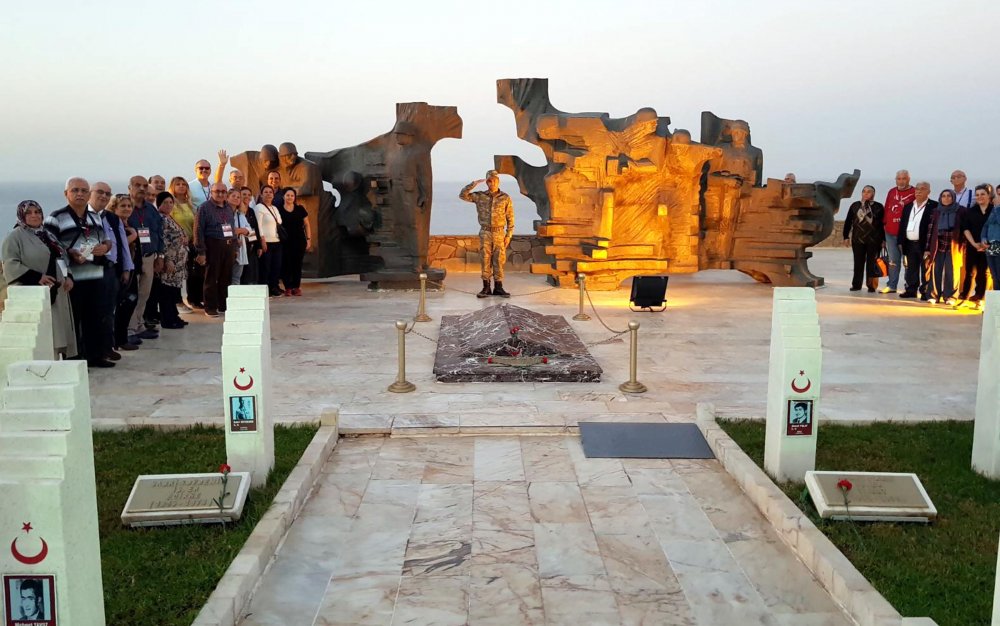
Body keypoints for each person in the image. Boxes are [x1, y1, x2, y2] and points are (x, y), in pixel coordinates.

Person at [44, 178, 114, 367]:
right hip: (72, 277)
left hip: (94, 273)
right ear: (66, 193)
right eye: (75, 190)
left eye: (84, 190)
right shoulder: (55, 218)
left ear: (89, 194)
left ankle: (94, 356)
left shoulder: (94, 217)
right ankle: (75, 359)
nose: (80, 194)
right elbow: (50, 248)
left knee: (95, 316)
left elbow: (106, 239)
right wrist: (69, 255)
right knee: (73, 319)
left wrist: (105, 247)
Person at [1, 201, 77, 359]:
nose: (34, 216)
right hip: (35, 293)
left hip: (58, 290)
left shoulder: (48, 235)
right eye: (29, 213)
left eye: (37, 212)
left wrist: (68, 276)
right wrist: (37, 277)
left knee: (59, 329)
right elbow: (10, 264)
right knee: (44, 332)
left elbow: (60, 257)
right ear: (21, 215)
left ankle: (59, 360)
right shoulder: (15, 237)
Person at [459, 170, 515, 298]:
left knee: (499, 260)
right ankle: (486, 287)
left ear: (498, 181)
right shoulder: (480, 196)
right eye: (490, 180)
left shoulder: (505, 197)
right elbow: (462, 195)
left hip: (499, 233)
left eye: (494, 180)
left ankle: (499, 287)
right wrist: (473, 184)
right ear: (487, 182)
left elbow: (510, 217)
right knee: (485, 259)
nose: (492, 183)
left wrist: (509, 235)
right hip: (485, 232)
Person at [92, 182, 132, 359]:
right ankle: (96, 350)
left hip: (112, 269)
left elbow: (123, 244)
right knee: (95, 311)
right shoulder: (85, 216)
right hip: (90, 269)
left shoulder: (113, 218)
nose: (104, 196)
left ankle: (108, 347)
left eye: (107, 193)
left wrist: (127, 268)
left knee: (109, 310)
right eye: (99, 192)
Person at [126, 176, 163, 341]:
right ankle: (129, 329)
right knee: (131, 294)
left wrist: (160, 255)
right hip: (132, 257)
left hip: (149, 257)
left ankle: (139, 325)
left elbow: (159, 232)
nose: (141, 188)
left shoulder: (151, 209)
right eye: (137, 185)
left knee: (144, 294)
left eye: (144, 186)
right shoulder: (125, 206)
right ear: (130, 187)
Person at [195, 183, 238, 317]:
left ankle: (223, 305)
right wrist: (201, 251)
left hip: (228, 245)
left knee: (226, 277)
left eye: (223, 191)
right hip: (213, 245)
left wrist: (235, 247)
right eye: (217, 191)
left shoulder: (228, 207)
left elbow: (231, 227)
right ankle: (210, 307)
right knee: (211, 277)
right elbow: (198, 230)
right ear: (211, 192)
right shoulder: (204, 208)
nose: (220, 194)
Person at [108, 194, 141, 351]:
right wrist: (133, 236)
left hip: (132, 269)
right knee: (121, 304)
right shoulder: (113, 224)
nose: (127, 209)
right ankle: (116, 340)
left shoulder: (129, 224)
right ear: (114, 208)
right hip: (119, 270)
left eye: (129, 206)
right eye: (123, 206)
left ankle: (121, 338)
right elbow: (116, 246)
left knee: (130, 301)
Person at [153, 192, 189, 330]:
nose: (168, 205)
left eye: (170, 202)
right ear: (159, 204)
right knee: (166, 291)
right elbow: (163, 240)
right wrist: (166, 259)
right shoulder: (161, 219)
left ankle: (174, 315)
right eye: (165, 203)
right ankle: (167, 319)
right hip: (170, 260)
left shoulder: (169, 217)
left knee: (173, 290)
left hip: (178, 261)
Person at [842, 185, 885, 292]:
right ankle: (856, 285)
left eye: (869, 192)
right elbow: (848, 222)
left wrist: (884, 240)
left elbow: (882, 225)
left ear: (873, 194)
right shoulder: (855, 206)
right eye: (864, 191)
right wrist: (846, 236)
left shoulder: (879, 207)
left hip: (874, 240)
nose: (866, 193)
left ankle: (871, 286)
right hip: (858, 239)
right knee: (858, 263)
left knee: (872, 263)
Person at [898, 182, 937, 299]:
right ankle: (911, 290)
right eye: (917, 189)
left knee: (926, 268)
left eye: (922, 189)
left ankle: (925, 291)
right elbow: (903, 224)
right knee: (911, 268)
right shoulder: (908, 206)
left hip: (924, 243)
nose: (919, 191)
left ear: (928, 192)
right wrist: (900, 241)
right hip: (909, 243)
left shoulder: (934, 206)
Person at [880, 170, 916, 294]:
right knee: (893, 261)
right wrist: (884, 226)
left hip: (906, 234)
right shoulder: (892, 191)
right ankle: (891, 285)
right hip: (890, 232)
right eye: (899, 179)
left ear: (908, 179)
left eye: (904, 178)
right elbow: (887, 208)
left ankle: (909, 286)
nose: (901, 181)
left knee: (908, 262)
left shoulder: (914, 192)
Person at [958, 184, 993, 308]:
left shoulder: (994, 211)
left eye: (982, 194)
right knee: (969, 272)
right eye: (977, 195)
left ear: (989, 195)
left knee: (984, 273)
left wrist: (987, 244)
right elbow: (966, 229)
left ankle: (980, 298)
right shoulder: (971, 211)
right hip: (972, 245)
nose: (979, 197)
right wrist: (973, 243)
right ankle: (965, 297)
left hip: (989, 246)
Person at [168, 176, 198, 312]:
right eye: (178, 184)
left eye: (183, 184)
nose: (181, 186)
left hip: (190, 244)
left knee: (188, 273)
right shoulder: (171, 204)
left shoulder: (190, 204)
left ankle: (191, 299)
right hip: (176, 245)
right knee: (176, 274)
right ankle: (177, 301)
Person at [926, 190, 962, 305]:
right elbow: (930, 229)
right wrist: (927, 248)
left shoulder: (960, 211)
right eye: (943, 196)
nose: (946, 198)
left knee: (952, 271)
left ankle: (951, 296)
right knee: (935, 270)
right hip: (938, 245)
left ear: (953, 198)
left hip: (954, 246)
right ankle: (933, 295)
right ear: (940, 198)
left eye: (949, 196)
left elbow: (964, 229)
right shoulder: (936, 211)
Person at [278, 187, 311, 296]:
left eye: (292, 195)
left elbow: (307, 224)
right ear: (283, 196)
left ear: (295, 197)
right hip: (284, 241)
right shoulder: (278, 209)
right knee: (286, 264)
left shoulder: (300, 209)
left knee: (297, 264)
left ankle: (296, 287)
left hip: (299, 241)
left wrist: (309, 239)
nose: (290, 197)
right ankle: (288, 287)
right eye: (288, 195)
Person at [255, 185, 284, 297]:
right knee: (265, 267)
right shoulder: (259, 207)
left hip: (276, 241)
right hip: (266, 241)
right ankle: (265, 288)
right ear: (261, 195)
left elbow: (279, 222)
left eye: (270, 192)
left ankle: (274, 286)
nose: (268, 194)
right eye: (265, 192)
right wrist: (262, 240)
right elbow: (258, 225)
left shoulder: (274, 208)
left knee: (276, 266)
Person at [234, 186, 262, 284]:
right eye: (244, 194)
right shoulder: (234, 211)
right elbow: (233, 230)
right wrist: (244, 231)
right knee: (237, 275)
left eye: (249, 195)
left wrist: (258, 245)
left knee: (249, 274)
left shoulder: (251, 211)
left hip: (250, 246)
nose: (247, 196)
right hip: (238, 246)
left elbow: (254, 229)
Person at [980, 184, 1000, 291]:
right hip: (991, 246)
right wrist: (983, 238)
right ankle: (997, 300)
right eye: (997, 194)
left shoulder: (996, 209)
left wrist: (997, 208)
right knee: (994, 276)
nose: (998, 197)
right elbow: (986, 225)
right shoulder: (995, 209)